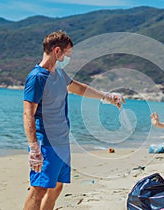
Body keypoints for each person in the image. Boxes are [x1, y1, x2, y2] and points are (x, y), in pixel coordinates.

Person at [23, 30, 125, 210]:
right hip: (45, 143)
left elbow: (79, 89)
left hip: (61, 142)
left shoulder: (60, 75)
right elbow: (28, 114)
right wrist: (33, 148)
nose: (68, 57)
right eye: (67, 53)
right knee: (38, 189)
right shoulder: (37, 77)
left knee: (56, 186)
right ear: (57, 51)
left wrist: (107, 97)